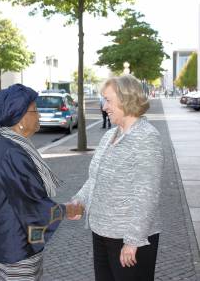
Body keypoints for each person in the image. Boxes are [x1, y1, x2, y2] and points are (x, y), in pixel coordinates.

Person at [0, 84, 81, 281]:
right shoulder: (13, 151)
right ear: (20, 119)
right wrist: (67, 210)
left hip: (1, 239)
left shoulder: (5, 143)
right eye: (35, 109)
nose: (39, 114)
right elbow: (32, 205)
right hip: (14, 247)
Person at [70, 75, 164, 281]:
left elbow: (147, 194)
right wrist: (79, 201)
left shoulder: (147, 138)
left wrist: (133, 241)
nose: (104, 107)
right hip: (102, 233)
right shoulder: (110, 135)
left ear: (127, 99)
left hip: (128, 239)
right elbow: (95, 179)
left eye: (108, 100)